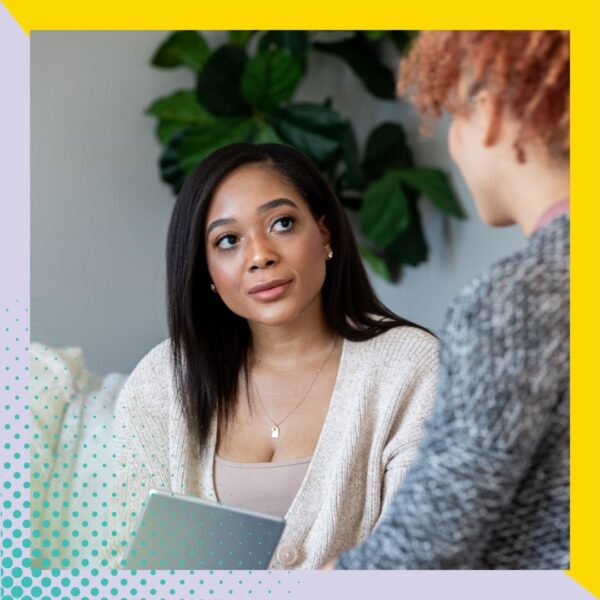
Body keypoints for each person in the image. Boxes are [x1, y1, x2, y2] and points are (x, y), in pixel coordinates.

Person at [102, 143, 438, 569]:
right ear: (205, 270)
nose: (260, 256)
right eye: (227, 240)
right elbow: (120, 561)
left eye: (282, 223)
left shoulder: (409, 366)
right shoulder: (164, 378)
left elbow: (422, 554)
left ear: (325, 234)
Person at [326, 30, 570, 570]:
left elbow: (431, 539)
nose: (453, 142)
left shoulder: (516, 299)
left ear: (495, 112)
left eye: (454, 114)